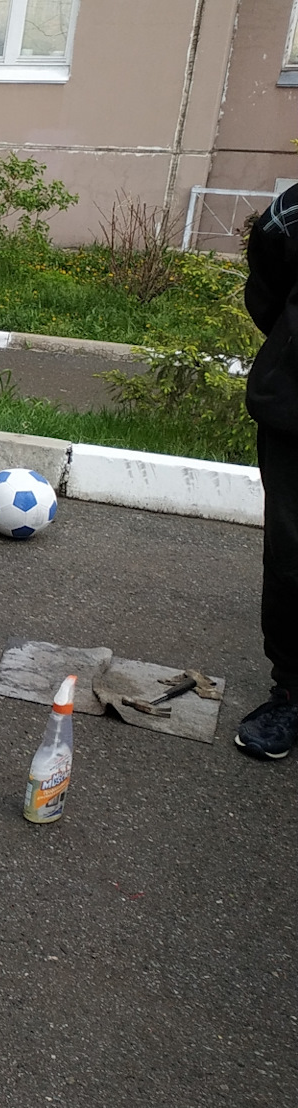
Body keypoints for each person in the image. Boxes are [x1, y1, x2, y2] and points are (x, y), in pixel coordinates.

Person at [236, 179, 298, 759]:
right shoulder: (293, 216)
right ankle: (292, 695)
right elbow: (268, 300)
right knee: (293, 560)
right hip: (296, 419)